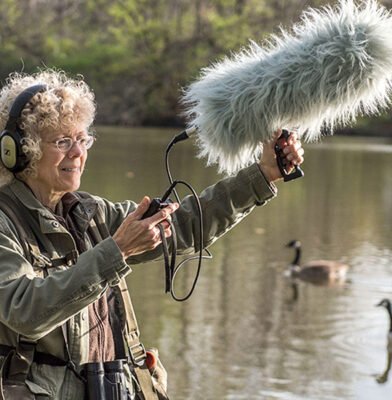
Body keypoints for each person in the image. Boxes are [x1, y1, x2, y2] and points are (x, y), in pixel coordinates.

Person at [0, 69, 304, 400]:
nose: (77, 152)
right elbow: (24, 310)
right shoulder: (5, 222)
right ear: (19, 151)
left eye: (82, 139)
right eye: (62, 141)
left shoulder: (93, 214)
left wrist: (263, 175)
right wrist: (117, 251)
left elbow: (185, 223)